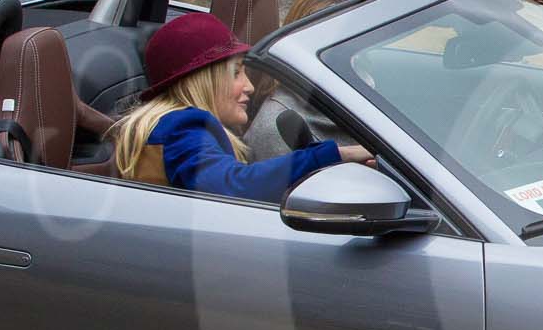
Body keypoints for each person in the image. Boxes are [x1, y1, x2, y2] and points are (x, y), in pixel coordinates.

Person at [112, 14, 367, 196]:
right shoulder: (184, 126)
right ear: (203, 80)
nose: (250, 86)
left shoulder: (168, 126)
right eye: (236, 73)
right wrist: (335, 154)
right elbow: (233, 186)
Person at [242, 0, 353, 155]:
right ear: (297, 48)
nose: (346, 52)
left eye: (351, 40)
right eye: (334, 45)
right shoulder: (276, 127)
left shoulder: (360, 91)